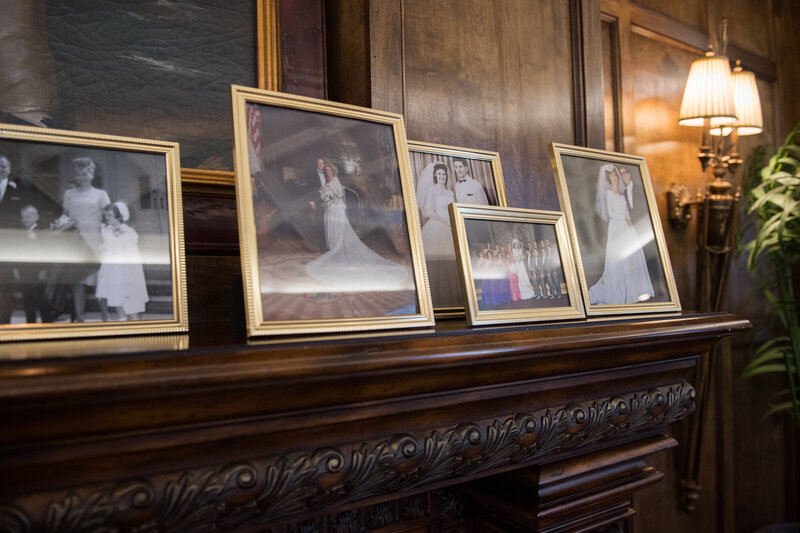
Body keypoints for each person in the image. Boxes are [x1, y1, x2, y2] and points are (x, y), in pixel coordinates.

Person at [305, 162, 409, 290]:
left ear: (333, 171)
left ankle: (338, 249)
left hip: (337, 210)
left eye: (329, 170)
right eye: (326, 170)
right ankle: (333, 248)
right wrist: (327, 201)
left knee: (339, 230)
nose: (328, 172)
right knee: (331, 230)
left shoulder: (336, 181)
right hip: (330, 209)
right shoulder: (327, 182)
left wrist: (331, 199)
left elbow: (340, 196)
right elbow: (328, 195)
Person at [51, 157, 111, 321]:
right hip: (76, 239)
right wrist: (58, 224)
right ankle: (79, 316)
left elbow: (108, 216)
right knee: (78, 280)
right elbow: (65, 215)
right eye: (78, 175)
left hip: (95, 239)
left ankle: (105, 314)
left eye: (85, 174)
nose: (81, 178)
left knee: (99, 279)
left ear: (91, 174)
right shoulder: (69, 194)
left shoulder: (101, 194)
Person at [588, 164, 655, 305]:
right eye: (611, 176)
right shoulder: (609, 193)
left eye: (615, 175)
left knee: (633, 257)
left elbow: (627, 209)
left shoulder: (621, 192)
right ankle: (619, 292)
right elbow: (610, 213)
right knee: (618, 260)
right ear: (608, 178)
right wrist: (623, 218)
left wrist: (628, 220)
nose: (614, 178)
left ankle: (635, 291)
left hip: (627, 227)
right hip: (617, 227)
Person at [95, 202, 149, 321]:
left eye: (109, 215)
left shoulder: (129, 232)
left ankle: (134, 325)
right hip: (113, 270)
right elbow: (107, 248)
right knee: (116, 298)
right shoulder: (106, 230)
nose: (106, 218)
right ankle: (121, 320)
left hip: (126, 271)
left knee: (130, 302)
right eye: (106, 215)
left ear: (119, 217)